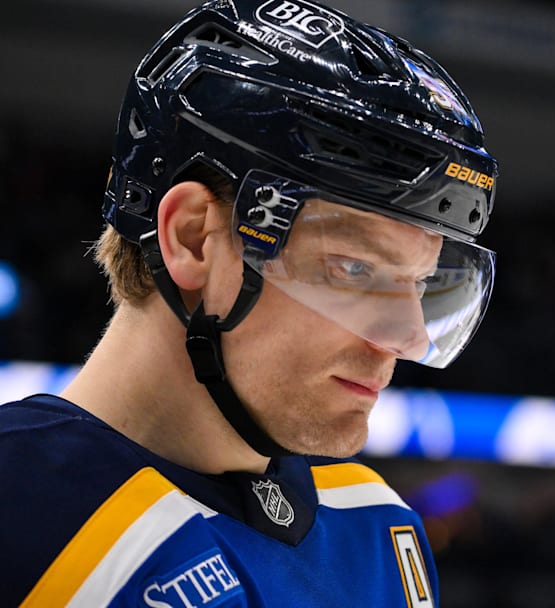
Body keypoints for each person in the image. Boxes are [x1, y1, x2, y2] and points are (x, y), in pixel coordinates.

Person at [0, 0, 497, 605]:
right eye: (354, 267)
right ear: (193, 239)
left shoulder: (374, 527)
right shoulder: (21, 516)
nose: (408, 337)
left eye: (417, 284)